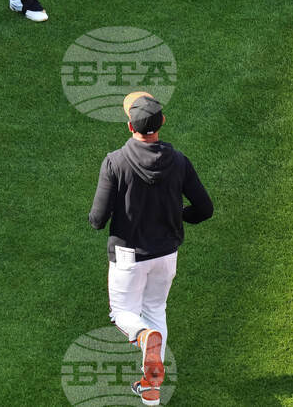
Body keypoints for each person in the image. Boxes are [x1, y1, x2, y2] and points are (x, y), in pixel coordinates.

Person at [88, 92, 213, 405]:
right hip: (166, 254)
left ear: (130, 126)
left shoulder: (115, 162)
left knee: (123, 313)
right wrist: (176, 216)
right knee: (156, 310)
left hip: (128, 256)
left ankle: (145, 338)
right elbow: (204, 208)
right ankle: (151, 390)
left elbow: (97, 220)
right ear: (163, 123)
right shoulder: (179, 161)